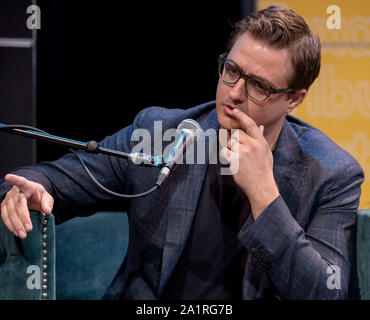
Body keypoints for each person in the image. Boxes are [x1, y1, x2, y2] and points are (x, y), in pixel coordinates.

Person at [0, 6, 364, 300]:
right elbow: (55, 179)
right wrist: (24, 189)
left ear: (294, 99)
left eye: (259, 86)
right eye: (232, 70)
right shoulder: (159, 134)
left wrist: (265, 196)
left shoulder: (331, 172)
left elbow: (325, 291)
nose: (235, 92)